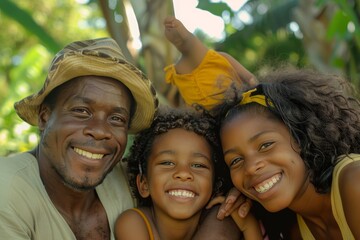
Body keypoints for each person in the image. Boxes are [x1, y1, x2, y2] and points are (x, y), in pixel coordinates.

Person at [0, 37, 246, 240]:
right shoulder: (8, 190)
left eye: (116, 118)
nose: (99, 130)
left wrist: (223, 213)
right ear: (44, 117)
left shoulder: (124, 179)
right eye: (81, 111)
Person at [211, 67, 360, 239]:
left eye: (266, 145)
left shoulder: (354, 181)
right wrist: (249, 227)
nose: (251, 167)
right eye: (235, 160)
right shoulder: (296, 229)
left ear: (302, 135)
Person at [114, 107, 262, 240]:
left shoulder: (223, 220)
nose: (183, 174)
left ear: (214, 185)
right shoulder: (133, 222)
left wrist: (248, 225)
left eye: (198, 165)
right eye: (167, 163)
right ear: (144, 184)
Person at [163, 16, 257, 110]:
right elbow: (251, 79)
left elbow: (250, 79)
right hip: (205, 118)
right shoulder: (182, 73)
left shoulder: (219, 59)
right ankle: (185, 42)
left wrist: (257, 89)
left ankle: (186, 42)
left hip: (234, 107)